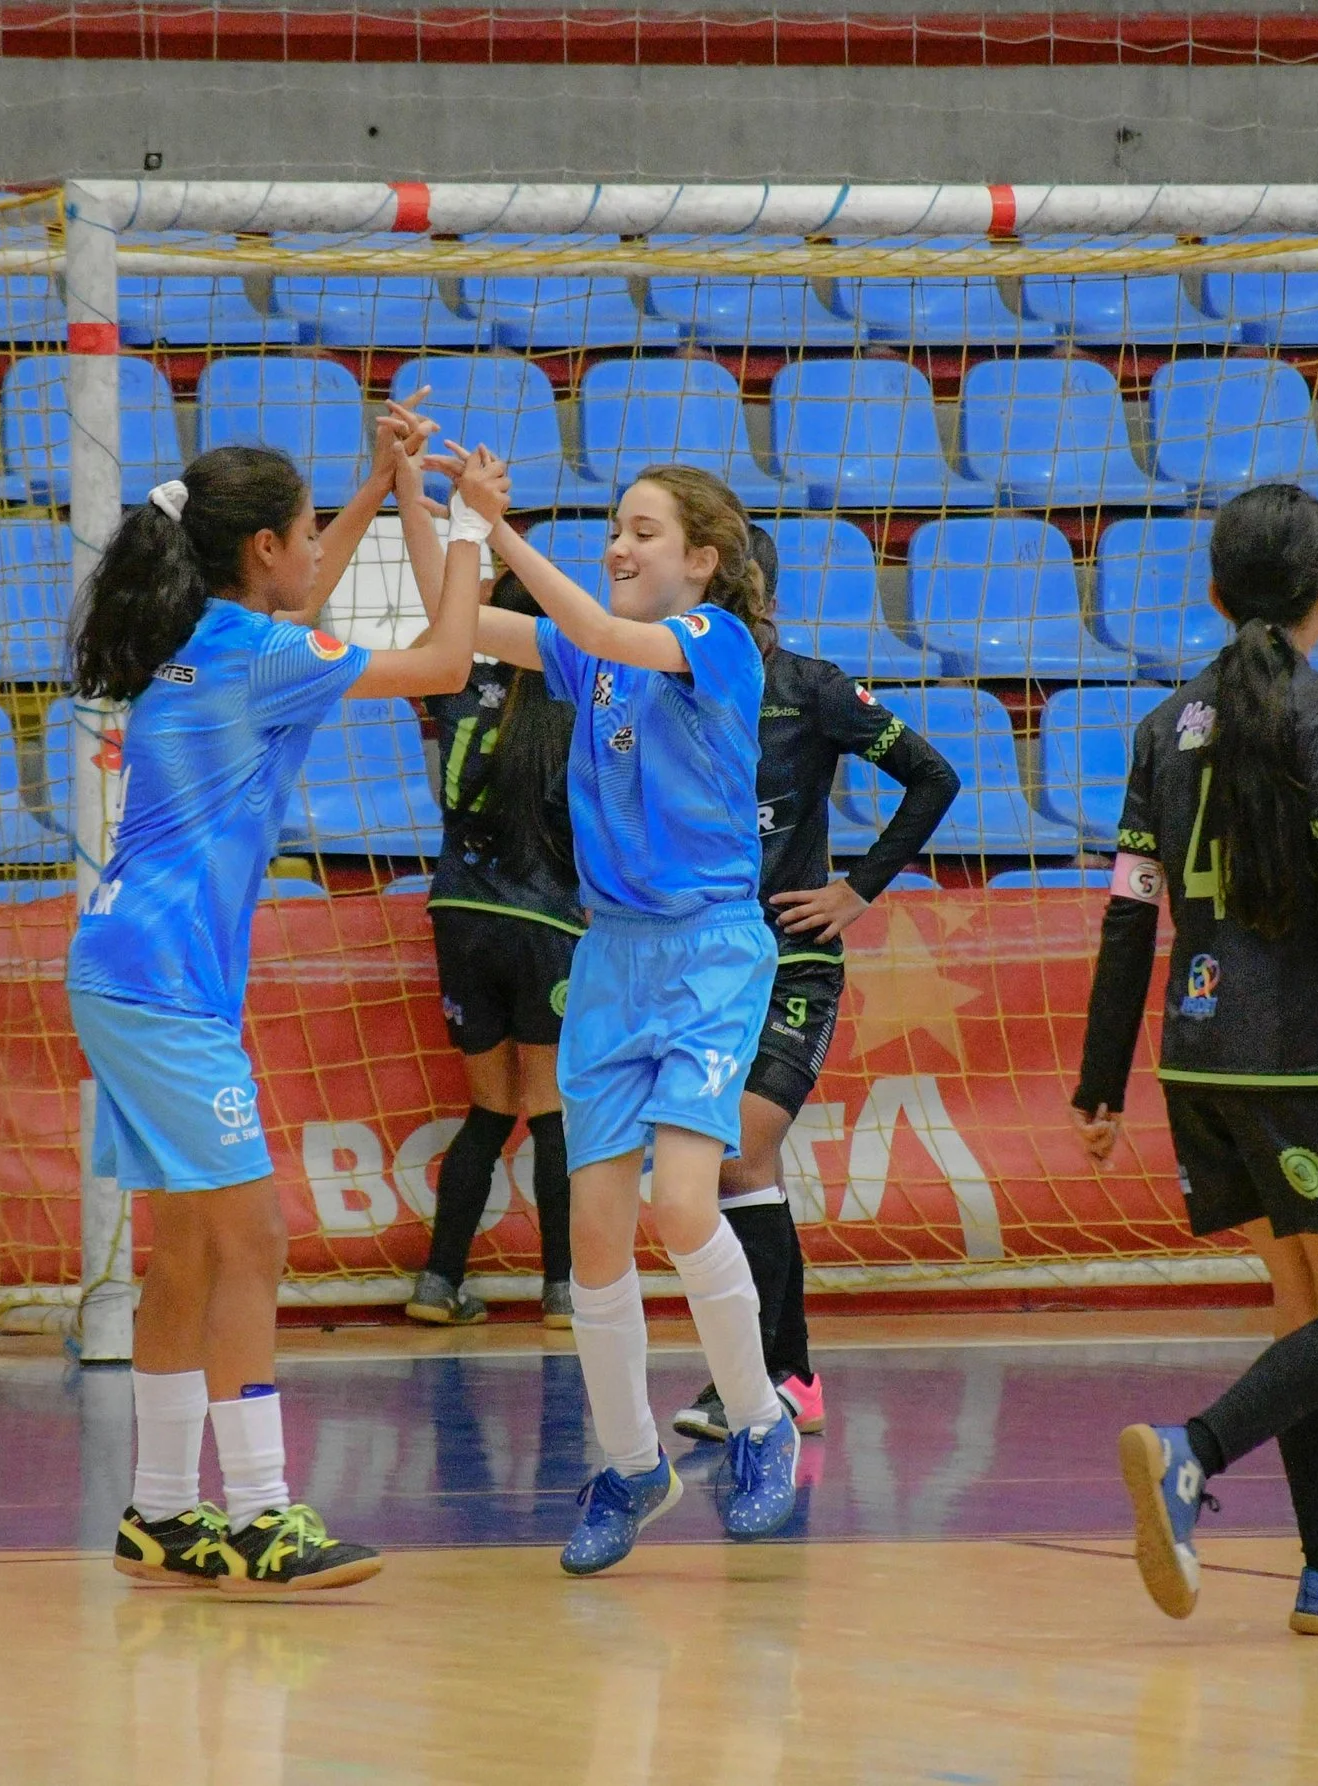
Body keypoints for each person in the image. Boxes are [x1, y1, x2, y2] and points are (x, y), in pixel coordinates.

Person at [74, 412, 501, 1594]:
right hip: (161, 978)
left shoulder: (214, 634)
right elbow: (448, 665)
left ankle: (161, 1513)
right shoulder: (260, 656)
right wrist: (466, 524)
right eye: (310, 531)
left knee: (192, 1245)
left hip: (129, 967)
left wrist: (372, 488)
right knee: (252, 1234)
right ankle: (258, 1513)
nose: (321, 547)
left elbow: (299, 609)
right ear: (265, 546)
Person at [1073, 483, 1318, 1636]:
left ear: (1212, 589)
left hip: (1196, 1062)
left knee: (1305, 1321)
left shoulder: (1160, 728)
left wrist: (1099, 1081)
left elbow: (1128, 920)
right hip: (1298, 1061)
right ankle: (1191, 1455)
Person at [440, 454, 804, 1575]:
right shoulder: (587, 650)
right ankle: (631, 1462)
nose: (619, 542)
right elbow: (452, 637)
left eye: (642, 529)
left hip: (707, 956)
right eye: (612, 526)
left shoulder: (716, 645)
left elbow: (594, 626)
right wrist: (444, 516)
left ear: (701, 559)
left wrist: (501, 534)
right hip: (610, 958)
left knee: (684, 1205)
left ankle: (758, 1421)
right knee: (594, 1231)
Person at [672, 525, 960, 1443]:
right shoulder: (668, 687)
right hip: (705, 966)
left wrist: (856, 889)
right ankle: (786, 1375)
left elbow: (932, 776)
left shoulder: (810, 688)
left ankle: (761, 1378)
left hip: (794, 960)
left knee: (737, 1160)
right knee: (737, 1174)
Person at [392, 514, 583, 1329]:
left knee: (489, 1109)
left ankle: (437, 1283)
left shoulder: (452, 680)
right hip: (547, 923)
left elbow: (443, 612)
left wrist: (417, 496)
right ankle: (566, 1291)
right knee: (550, 1112)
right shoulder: (580, 703)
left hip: (458, 912)